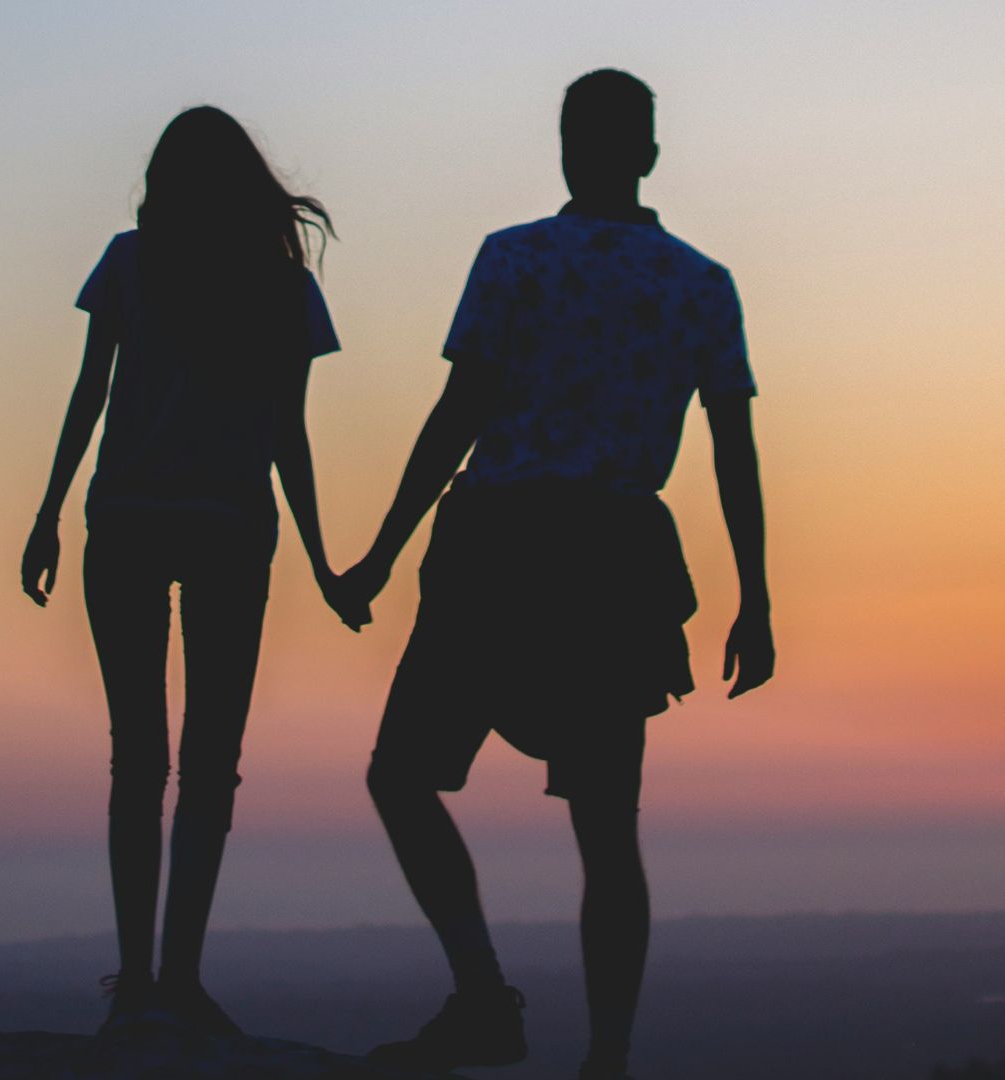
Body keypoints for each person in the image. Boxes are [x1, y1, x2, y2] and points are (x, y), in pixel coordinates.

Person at [336, 69, 775, 1080]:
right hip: (614, 562)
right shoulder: (698, 282)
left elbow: (459, 417)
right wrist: (754, 596)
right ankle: (607, 1060)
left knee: (402, 776)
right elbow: (732, 450)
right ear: (650, 154)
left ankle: (485, 998)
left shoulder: (514, 261)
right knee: (606, 830)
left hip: (497, 547)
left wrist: (381, 552)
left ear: (570, 150)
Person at [19, 106, 355, 1036]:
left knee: (140, 760)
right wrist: (324, 562)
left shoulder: (132, 260)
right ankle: (179, 980)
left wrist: (48, 514)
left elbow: (91, 394)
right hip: (231, 529)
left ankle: (137, 983)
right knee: (210, 767)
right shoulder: (284, 289)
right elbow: (289, 435)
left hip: (124, 520)